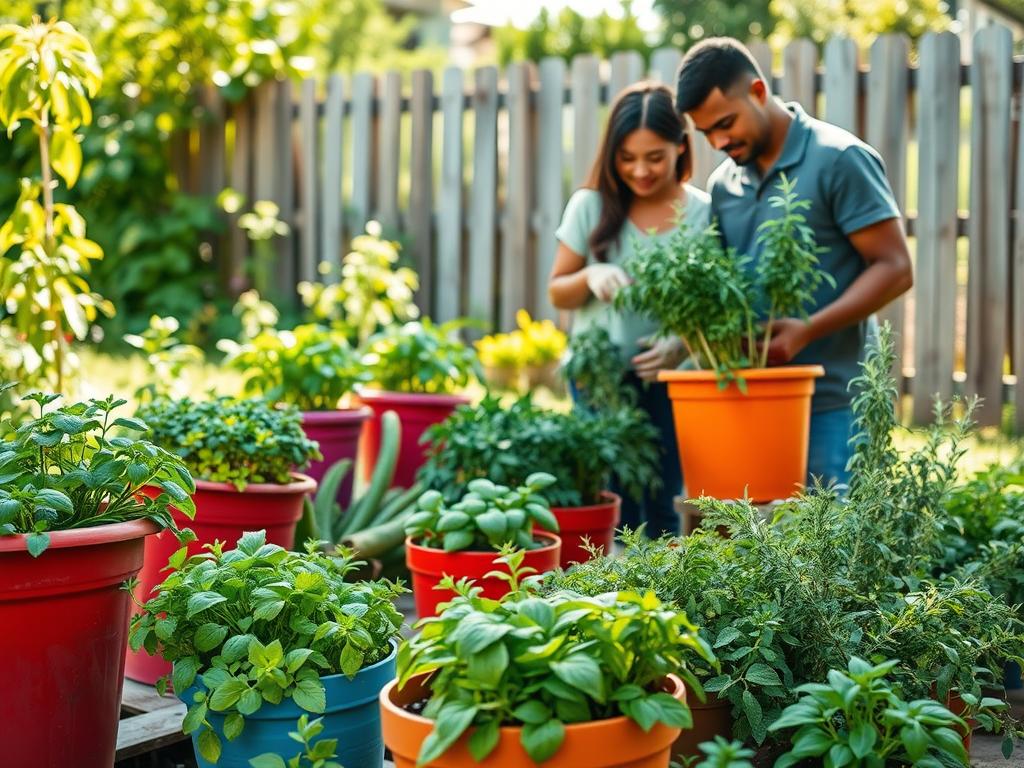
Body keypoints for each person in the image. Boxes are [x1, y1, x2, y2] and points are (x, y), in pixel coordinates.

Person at [675, 38, 913, 487]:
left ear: (759, 92)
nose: (719, 141)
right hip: (752, 398)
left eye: (725, 123)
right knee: (758, 551)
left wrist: (808, 329)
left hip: (836, 400)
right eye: (707, 133)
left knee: (841, 548)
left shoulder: (840, 159)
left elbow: (895, 268)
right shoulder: (724, 184)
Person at [548, 82, 711, 536]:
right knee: (606, 497)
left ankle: (654, 600)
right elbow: (557, 291)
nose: (640, 170)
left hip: (669, 379)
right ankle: (601, 597)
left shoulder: (703, 214)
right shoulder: (591, 206)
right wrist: (590, 276)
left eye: (655, 157)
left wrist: (682, 343)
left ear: (681, 147)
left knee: (662, 497)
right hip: (597, 379)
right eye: (627, 158)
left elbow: (715, 307)